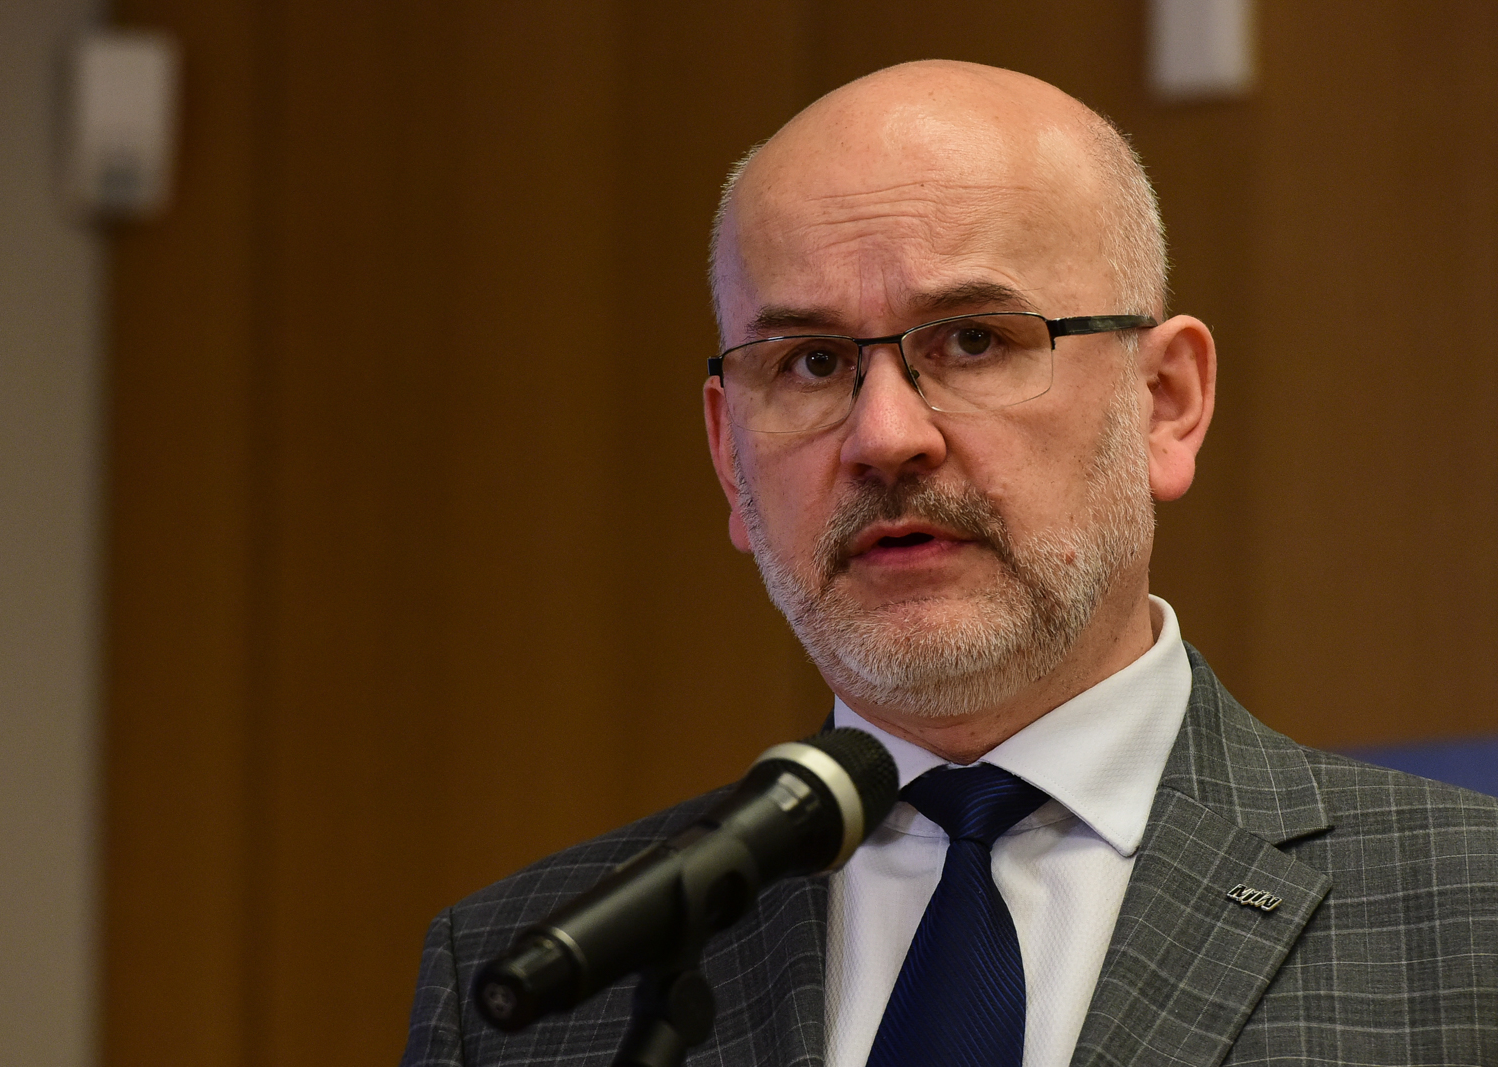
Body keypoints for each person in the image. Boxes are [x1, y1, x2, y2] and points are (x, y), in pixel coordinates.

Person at [401, 61, 1498, 1067]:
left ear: (1165, 402)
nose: (884, 436)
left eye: (974, 339)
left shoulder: (1470, 912)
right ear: (730, 457)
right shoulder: (530, 983)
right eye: (811, 362)